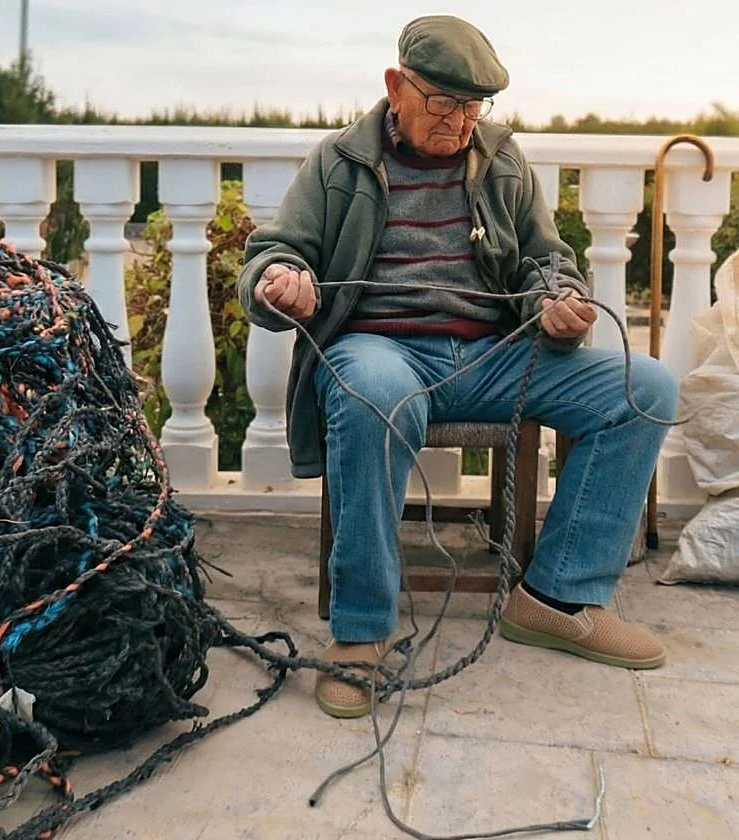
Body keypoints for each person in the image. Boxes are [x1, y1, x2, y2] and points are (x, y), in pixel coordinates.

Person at [237, 14, 678, 719]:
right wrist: (283, 277)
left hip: (493, 355)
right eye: (444, 103)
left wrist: (555, 300)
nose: (461, 122)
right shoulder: (338, 162)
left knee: (644, 387)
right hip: (381, 351)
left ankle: (557, 598)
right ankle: (361, 635)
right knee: (371, 391)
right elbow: (274, 252)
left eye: (474, 106)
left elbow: (546, 258)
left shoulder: (502, 158)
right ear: (395, 87)